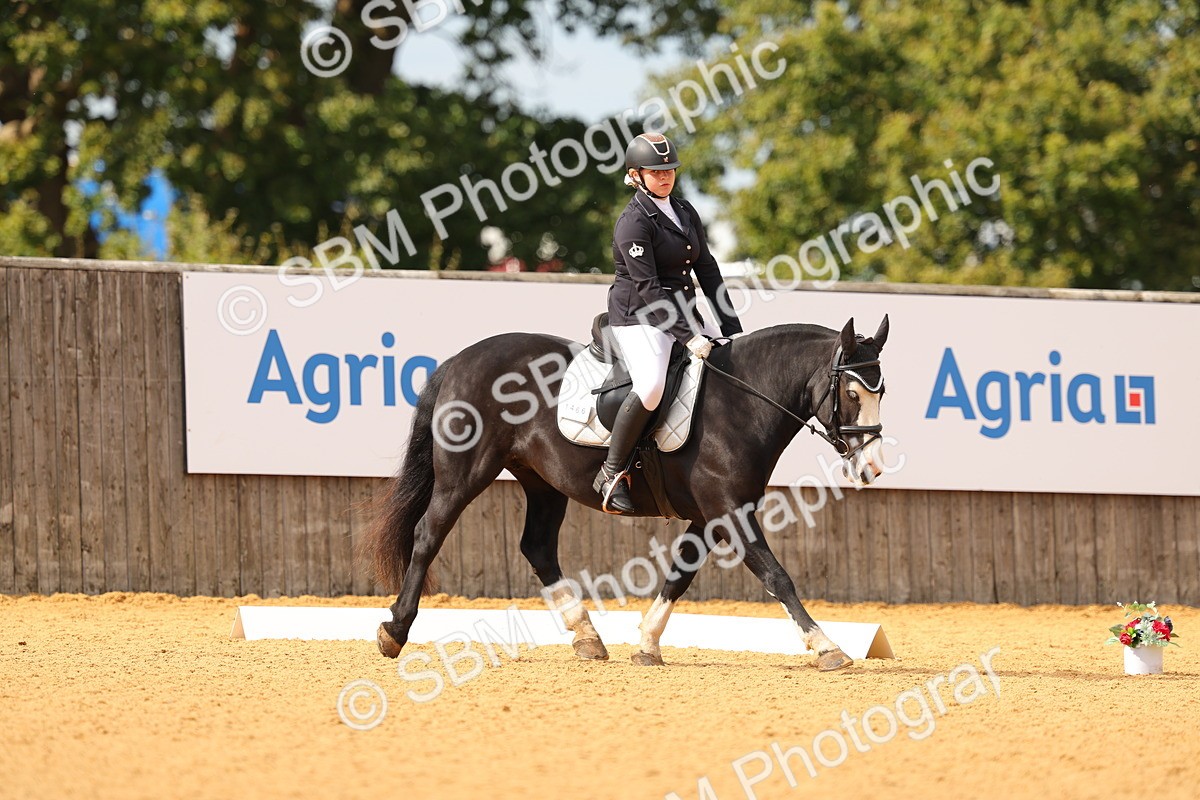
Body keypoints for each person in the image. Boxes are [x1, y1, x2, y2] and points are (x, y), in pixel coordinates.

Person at [594, 132, 744, 514]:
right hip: (639, 316)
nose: (665, 178)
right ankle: (611, 473)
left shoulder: (685, 211)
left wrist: (731, 328)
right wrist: (688, 335)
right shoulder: (632, 223)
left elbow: (708, 271)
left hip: (681, 311)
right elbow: (647, 288)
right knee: (651, 386)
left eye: (670, 171)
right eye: (655, 172)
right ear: (635, 175)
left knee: (733, 365)